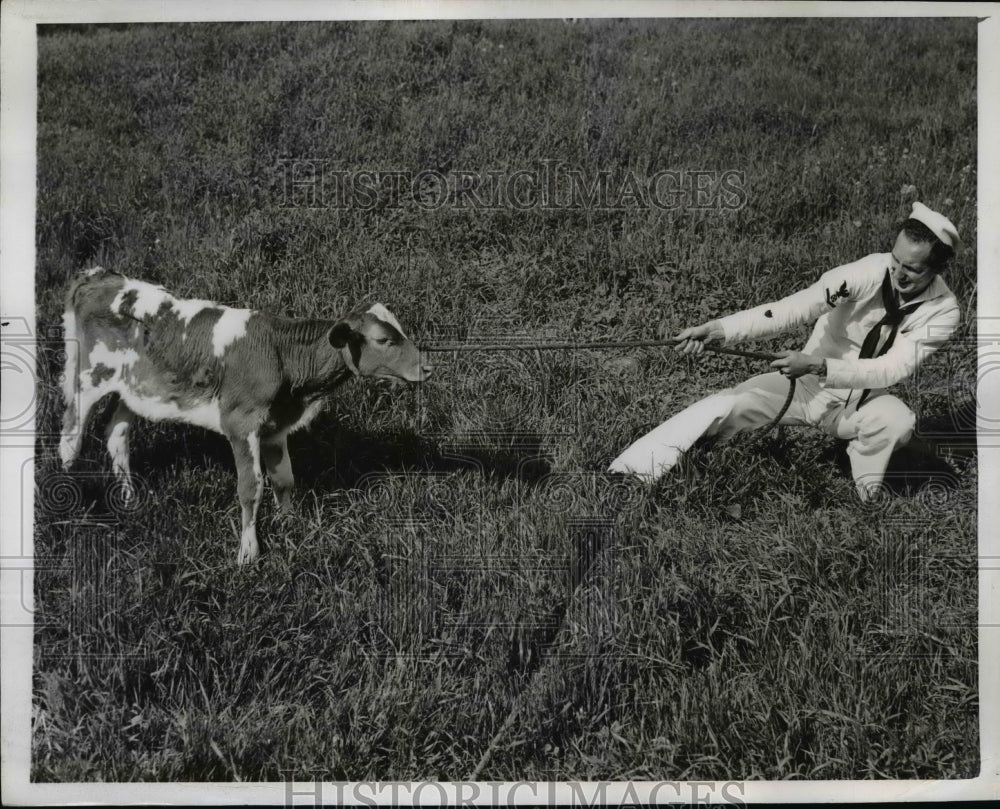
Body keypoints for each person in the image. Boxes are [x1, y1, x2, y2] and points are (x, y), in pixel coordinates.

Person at [608, 201, 962, 501]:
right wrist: (720, 330)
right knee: (730, 404)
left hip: (859, 400)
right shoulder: (867, 271)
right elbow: (794, 307)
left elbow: (892, 369)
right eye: (896, 261)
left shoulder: (944, 311)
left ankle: (863, 493)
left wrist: (819, 364)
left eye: (912, 270)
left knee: (899, 423)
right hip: (805, 386)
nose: (898, 273)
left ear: (937, 269)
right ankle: (635, 471)